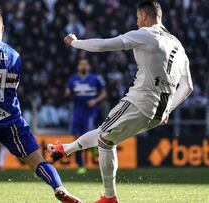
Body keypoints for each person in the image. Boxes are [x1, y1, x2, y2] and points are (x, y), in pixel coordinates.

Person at [48, 1, 193, 202]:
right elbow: (187, 87)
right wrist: (167, 109)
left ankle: (110, 198)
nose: (137, 21)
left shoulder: (145, 34)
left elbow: (105, 44)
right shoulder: (178, 44)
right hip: (158, 113)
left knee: (106, 141)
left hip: (139, 101)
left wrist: (76, 42)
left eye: (137, 18)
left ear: (143, 16)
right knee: (107, 132)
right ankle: (66, 149)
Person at [0, 11, 82, 203]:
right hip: (11, 120)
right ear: (3, 29)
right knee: (38, 161)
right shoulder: (15, 55)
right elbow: (8, 88)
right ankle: (59, 187)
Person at [66, 58, 106, 174]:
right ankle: (81, 165)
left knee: (88, 135)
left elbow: (104, 93)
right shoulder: (72, 79)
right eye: (81, 64)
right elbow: (67, 92)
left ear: (88, 67)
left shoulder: (95, 79)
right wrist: (67, 93)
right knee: (77, 137)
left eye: (85, 64)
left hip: (90, 112)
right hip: (78, 111)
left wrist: (95, 101)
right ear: (78, 67)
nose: (83, 66)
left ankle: (94, 150)